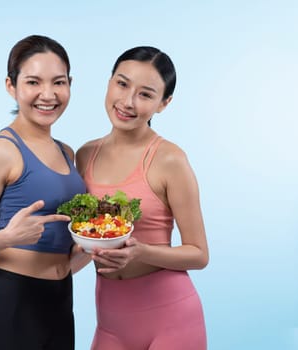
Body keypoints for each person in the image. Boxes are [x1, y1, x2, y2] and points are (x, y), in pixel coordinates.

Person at [0, 35, 89, 350]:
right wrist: (7, 237)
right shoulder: (2, 151)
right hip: (13, 305)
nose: (48, 94)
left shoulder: (67, 153)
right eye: (33, 82)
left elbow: (62, 258)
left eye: (59, 82)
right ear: (11, 86)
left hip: (60, 303)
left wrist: (91, 249)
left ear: (70, 84)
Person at [76, 46, 209, 350]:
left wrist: (141, 252)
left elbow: (199, 254)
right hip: (110, 323)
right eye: (122, 84)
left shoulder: (169, 159)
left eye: (146, 94)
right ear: (109, 82)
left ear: (164, 104)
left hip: (172, 319)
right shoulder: (85, 156)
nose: (127, 102)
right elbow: (84, 240)